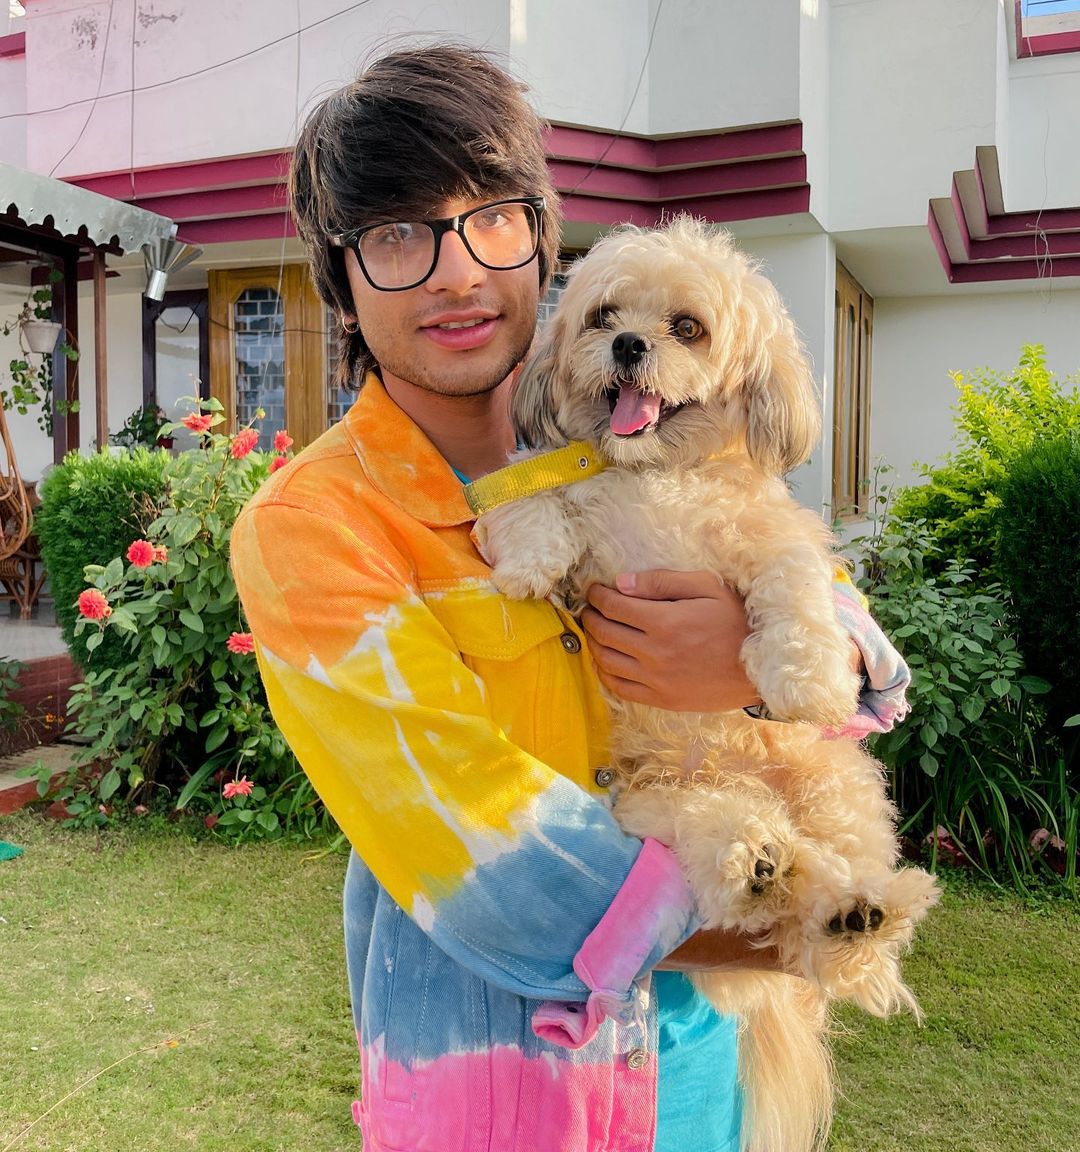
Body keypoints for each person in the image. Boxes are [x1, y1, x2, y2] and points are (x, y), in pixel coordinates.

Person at [230, 44, 910, 1152]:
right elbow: (492, 859)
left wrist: (750, 657)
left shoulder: (643, 446)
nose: (455, 273)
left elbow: (853, 644)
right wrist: (804, 922)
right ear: (340, 278)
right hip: (500, 1085)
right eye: (399, 234)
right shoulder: (316, 528)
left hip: (698, 1068)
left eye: (488, 217)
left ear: (540, 233)